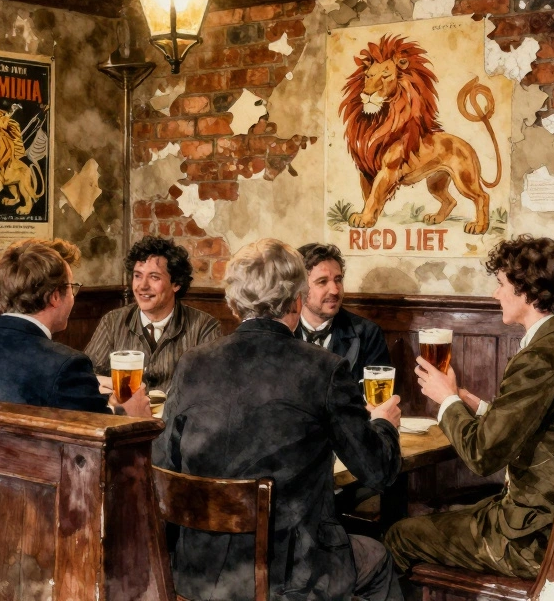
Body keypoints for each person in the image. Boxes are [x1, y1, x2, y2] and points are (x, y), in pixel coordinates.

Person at [153, 238, 404, 601]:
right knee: (378, 558)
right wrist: (383, 424)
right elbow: (378, 473)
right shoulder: (323, 368)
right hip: (290, 576)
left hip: (198, 571)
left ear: (233, 302)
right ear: (297, 298)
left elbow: (164, 464)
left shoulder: (192, 362)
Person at [385, 235, 554, 581]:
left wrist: (446, 400)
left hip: (536, 539)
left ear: (529, 292)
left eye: (501, 284)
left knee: (399, 536)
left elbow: (483, 456)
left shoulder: (537, 358)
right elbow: (552, 423)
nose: (495, 294)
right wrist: (478, 408)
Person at [0, 238, 151, 417]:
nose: (73, 296)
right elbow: (94, 451)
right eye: (72, 287)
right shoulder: (66, 367)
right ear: (55, 296)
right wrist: (129, 414)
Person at [84, 236, 221, 394]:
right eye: (137, 276)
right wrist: (116, 386)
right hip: (125, 417)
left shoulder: (204, 327)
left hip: (177, 418)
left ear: (176, 284)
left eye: (154, 277)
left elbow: (211, 387)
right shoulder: (113, 322)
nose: (142, 286)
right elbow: (85, 376)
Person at [295, 243, 391, 381]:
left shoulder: (367, 333)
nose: (335, 290)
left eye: (338, 280)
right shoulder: (281, 333)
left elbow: (380, 397)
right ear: (300, 287)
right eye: (322, 282)